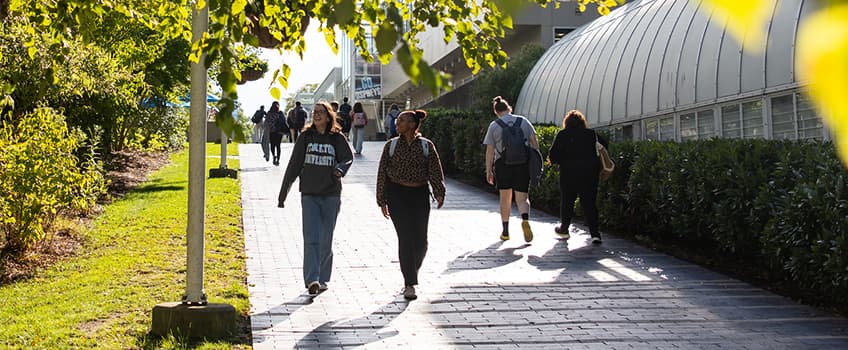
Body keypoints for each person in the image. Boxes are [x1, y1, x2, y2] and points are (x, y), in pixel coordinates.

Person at [278, 101, 354, 296]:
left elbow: (347, 157)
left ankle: (322, 278)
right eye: (315, 112)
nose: (317, 115)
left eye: (321, 112)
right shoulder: (306, 137)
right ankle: (312, 279)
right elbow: (294, 165)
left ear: (329, 116)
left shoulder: (336, 138)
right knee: (311, 237)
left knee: (326, 238)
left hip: (331, 194)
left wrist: (340, 170)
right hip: (310, 194)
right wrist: (283, 194)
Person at [376, 109, 445, 300]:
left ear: (413, 124)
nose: (397, 122)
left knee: (421, 241)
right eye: (397, 120)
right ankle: (409, 283)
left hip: (419, 194)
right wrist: (381, 200)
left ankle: (411, 270)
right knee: (405, 237)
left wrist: (439, 192)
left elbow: (435, 171)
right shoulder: (391, 146)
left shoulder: (426, 146)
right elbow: (382, 172)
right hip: (397, 194)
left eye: (402, 120)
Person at [482, 96, 540, 243]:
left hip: (503, 165)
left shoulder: (494, 125)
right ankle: (525, 220)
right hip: (522, 164)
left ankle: (506, 231)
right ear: (509, 108)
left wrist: (489, 170)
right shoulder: (523, 121)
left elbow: (490, 150)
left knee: (505, 198)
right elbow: (534, 144)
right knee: (522, 198)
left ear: (496, 111)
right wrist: (534, 164)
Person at [547, 110, 607, 244]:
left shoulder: (563, 135)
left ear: (566, 122)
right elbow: (604, 147)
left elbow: (553, 155)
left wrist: (562, 160)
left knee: (567, 202)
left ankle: (564, 229)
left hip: (568, 174)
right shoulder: (591, 134)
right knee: (590, 203)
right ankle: (595, 234)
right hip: (589, 174)